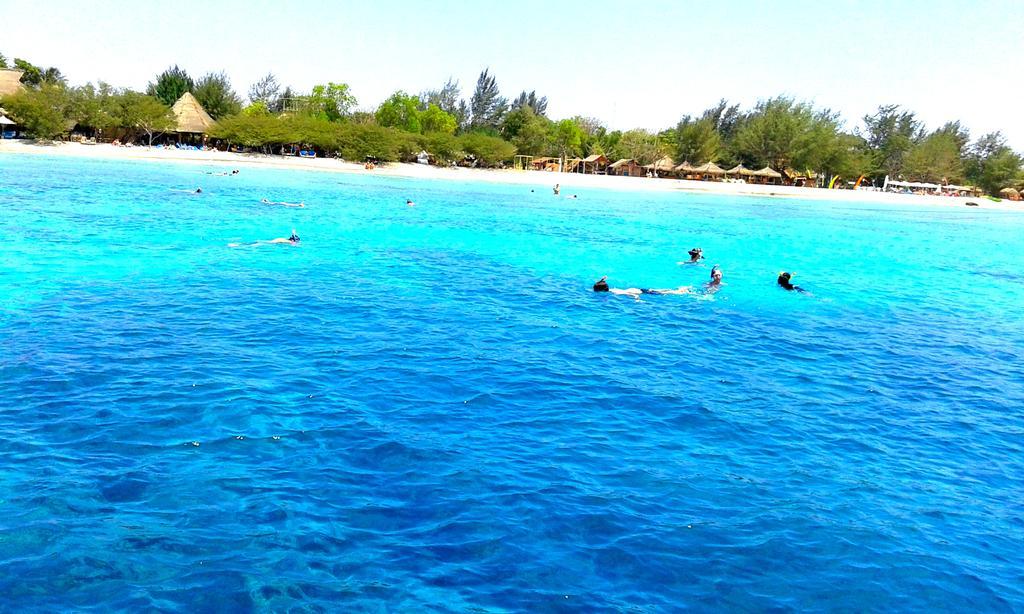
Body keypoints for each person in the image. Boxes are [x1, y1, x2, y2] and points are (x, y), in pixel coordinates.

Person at [593, 276, 691, 297]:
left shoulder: (615, 292)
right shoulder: (611, 289)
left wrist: (637, 299)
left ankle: (680, 291)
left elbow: (629, 294)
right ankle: (680, 289)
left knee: (664, 293)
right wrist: (602, 280)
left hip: (638, 292)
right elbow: (599, 284)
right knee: (660, 290)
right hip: (638, 289)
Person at [229, 229, 300, 247]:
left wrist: (294, 233)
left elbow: (293, 238)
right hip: (271, 242)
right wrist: (294, 233)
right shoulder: (290, 242)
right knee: (256, 244)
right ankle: (237, 245)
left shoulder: (287, 240)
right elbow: (294, 242)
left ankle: (238, 244)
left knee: (256, 242)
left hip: (271, 241)